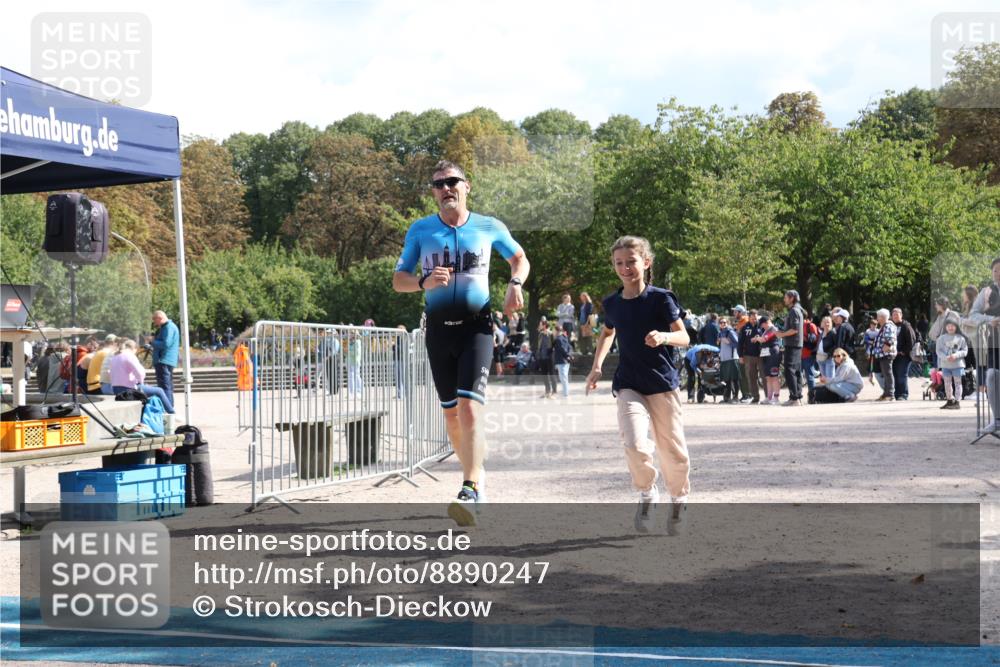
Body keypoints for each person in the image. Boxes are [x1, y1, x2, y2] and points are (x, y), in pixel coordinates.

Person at [392, 160, 529, 525]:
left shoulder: (488, 226)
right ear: (433, 192)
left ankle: (469, 487)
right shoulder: (421, 230)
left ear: (467, 186)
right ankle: (477, 478)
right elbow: (398, 279)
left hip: (476, 329)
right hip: (439, 332)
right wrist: (422, 282)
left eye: (453, 181)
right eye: (439, 184)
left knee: (469, 409)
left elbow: (519, 258)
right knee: (451, 415)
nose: (446, 188)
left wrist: (515, 284)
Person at [585, 236, 690, 534]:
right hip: (629, 383)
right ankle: (647, 493)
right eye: (619, 263)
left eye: (631, 261)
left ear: (646, 262)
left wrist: (664, 337)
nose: (625, 268)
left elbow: (684, 337)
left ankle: (679, 500)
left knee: (672, 450)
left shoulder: (662, 299)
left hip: (662, 383)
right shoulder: (612, 303)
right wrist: (597, 366)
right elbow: (608, 333)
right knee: (633, 443)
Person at [967, 257, 1000, 427]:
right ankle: (997, 419)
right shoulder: (986, 292)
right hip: (995, 341)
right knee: (992, 376)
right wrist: (989, 320)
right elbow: (973, 314)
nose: (998, 273)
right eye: (995, 270)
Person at [109, 339, 175, 413]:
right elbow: (140, 373)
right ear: (134, 348)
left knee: (151, 389)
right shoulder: (129, 356)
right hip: (129, 389)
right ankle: (171, 412)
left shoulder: (115, 357)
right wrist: (141, 382)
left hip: (115, 389)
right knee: (159, 391)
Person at [774, 290, 806, 406]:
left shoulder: (794, 311)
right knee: (796, 371)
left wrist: (781, 334)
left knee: (790, 370)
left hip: (793, 345)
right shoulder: (797, 310)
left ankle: (794, 398)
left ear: (792, 298)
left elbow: (794, 330)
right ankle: (797, 397)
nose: (784, 299)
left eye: (786, 297)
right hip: (795, 345)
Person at [935, 316, 967, 410]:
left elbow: (965, 351)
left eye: (953, 326)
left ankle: (957, 401)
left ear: (956, 327)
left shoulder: (961, 338)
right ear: (945, 327)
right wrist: (945, 358)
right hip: (945, 365)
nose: (950, 327)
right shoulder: (941, 338)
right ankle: (949, 400)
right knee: (947, 383)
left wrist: (956, 355)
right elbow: (938, 351)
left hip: (958, 365)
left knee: (958, 383)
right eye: (948, 326)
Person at [150, 310, 180, 410]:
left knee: (164, 386)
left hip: (163, 360)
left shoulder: (168, 327)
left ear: (160, 318)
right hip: (166, 360)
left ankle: (168, 409)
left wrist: (153, 342)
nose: (154, 323)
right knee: (167, 386)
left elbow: (166, 344)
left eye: (154, 320)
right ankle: (170, 408)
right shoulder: (167, 327)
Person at [753, 315, 782, 404]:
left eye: (762, 325)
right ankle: (769, 397)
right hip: (766, 354)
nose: (762, 327)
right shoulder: (766, 330)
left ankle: (776, 398)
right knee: (768, 377)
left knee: (774, 376)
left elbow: (764, 339)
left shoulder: (773, 329)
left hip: (773, 353)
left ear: (767, 322)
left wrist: (757, 338)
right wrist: (758, 338)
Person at [891, 308, 917, 400]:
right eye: (893, 315)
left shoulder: (906, 326)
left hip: (903, 356)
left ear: (901, 315)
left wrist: (904, 351)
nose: (895, 316)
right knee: (895, 375)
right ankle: (897, 394)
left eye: (897, 314)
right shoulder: (891, 326)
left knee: (902, 375)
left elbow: (912, 340)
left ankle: (903, 394)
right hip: (894, 355)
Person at [872, 309, 898, 401]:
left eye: (878, 317)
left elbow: (890, 339)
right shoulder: (885, 326)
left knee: (888, 374)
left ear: (882, 317)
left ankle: (890, 394)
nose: (877, 319)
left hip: (886, 354)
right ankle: (886, 393)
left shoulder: (888, 326)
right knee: (886, 374)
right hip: (883, 354)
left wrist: (885, 348)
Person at [738, 309, 762, 404]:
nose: (754, 320)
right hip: (748, 355)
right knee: (751, 377)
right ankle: (755, 397)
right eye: (752, 318)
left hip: (761, 355)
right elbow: (740, 343)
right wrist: (740, 356)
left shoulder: (762, 326)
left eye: (755, 318)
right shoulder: (744, 328)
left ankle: (769, 397)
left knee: (764, 376)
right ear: (749, 318)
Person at [717, 316, 740, 403]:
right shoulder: (720, 333)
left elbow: (737, 343)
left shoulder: (730, 332)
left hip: (732, 358)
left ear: (728, 323)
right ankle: (727, 398)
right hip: (724, 359)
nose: (723, 324)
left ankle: (735, 397)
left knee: (734, 378)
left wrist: (729, 342)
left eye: (724, 322)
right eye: (721, 322)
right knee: (726, 379)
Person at [731, 306, 751, 401]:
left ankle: (748, 395)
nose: (734, 313)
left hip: (745, 352)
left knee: (745, 374)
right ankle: (745, 394)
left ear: (740, 312)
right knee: (742, 374)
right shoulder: (740, 322)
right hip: (741, 351)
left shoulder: (746, 321)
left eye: (735, 312)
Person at [536, 320, 556, 398]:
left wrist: (551, 352)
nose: (539, 326)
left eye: (540, 324)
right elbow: (539, 345)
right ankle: (547, 391)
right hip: (542, 357)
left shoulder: (551, 334)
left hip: (549, 357)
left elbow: (554, 345)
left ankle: (554, 392)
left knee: (552, 374)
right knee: (544, 375)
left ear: (544, 325)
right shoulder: (540, 334)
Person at [553, 327, 573, 397]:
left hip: (561, 360)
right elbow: (570, 347)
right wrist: (569, 355)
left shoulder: (558, 339)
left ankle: (565, 394)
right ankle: (565, 392)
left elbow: (562, 349)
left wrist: (567, 355)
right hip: (566, 361)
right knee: (564, 378)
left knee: (563, 378)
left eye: (554, 331)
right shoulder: (565, 338)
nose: (553, 333)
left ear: (557, 331)